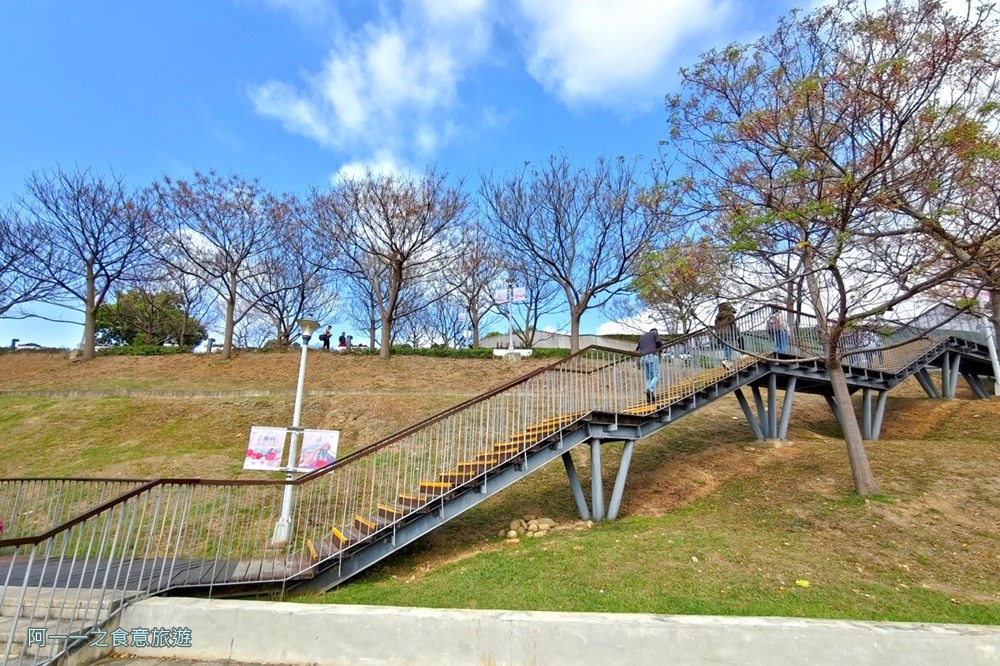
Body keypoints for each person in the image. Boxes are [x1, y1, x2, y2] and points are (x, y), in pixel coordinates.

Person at [636, 328, 664, 404]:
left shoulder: (642, 337)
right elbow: (659, 345)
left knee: (648, 377)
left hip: (642, 357)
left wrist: (638, 363)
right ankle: (650, 390)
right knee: (656, 375)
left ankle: (650, 396)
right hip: (652, 355)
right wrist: (660, 354)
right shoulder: (655, 334)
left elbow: (637, 349)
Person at [714, 303, 740, 367]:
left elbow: (716, 326)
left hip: (720, 334)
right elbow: (733, 324)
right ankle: (727, 359)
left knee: (725, 346)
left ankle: (726, 358)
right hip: (728, 332)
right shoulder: (730, 315)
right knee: (729, 345)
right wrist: (736, 333)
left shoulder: (717, 317)